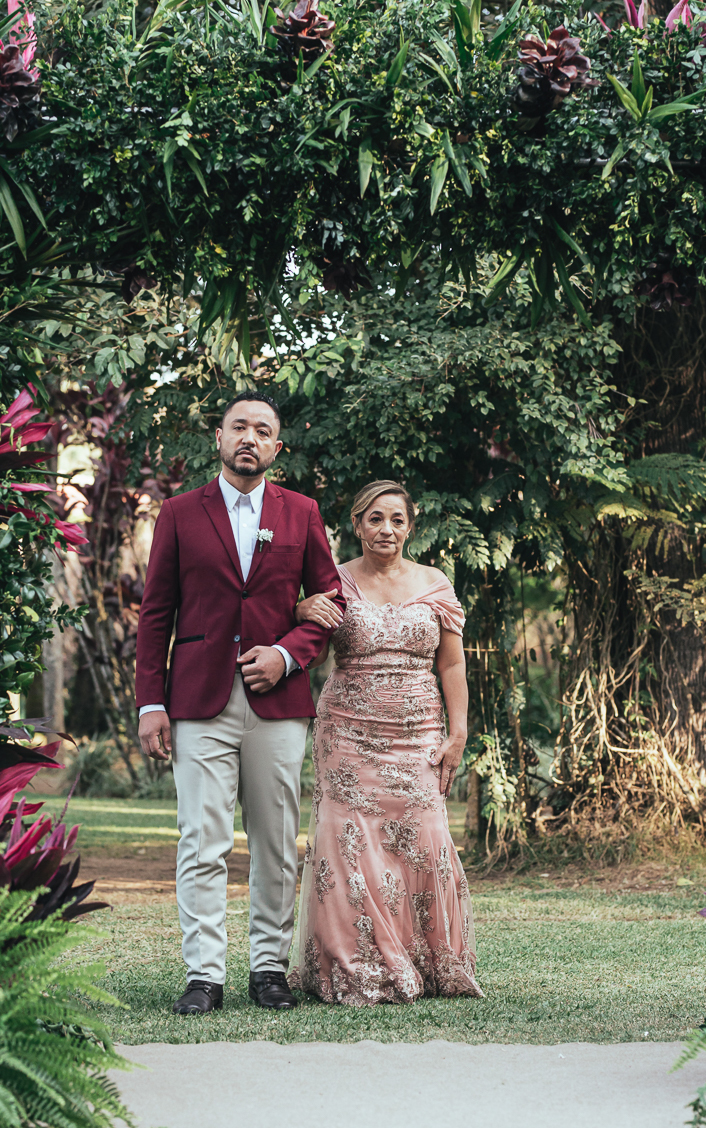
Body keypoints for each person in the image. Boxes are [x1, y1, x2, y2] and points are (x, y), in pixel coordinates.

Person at [134, 392, 345, 1015]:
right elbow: (155, 614)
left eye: (263, 430)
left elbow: (330, 603)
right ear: (219, 438)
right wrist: (150, 703)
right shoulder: (178, 513)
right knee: (202, 841)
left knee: (275, 842)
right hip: (197, 700)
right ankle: (204, 975)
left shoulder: (301, 512)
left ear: (277, 446)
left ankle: (269, 970)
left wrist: (287, 654)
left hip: (278, 701)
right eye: (239, 427)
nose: (249, 437)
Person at [290, 480, 482, 1004]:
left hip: (418, 735)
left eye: (397, 519)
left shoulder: (434, 583)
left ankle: (428, 961)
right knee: (347, 842)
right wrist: (302, 610)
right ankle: (355, 965)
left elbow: (452, 664)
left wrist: (458, 732)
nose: (386, 529)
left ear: (410, 527)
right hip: (347, 734)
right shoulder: (334, 581)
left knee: (423, 838)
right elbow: (307, 645)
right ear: (357, 525)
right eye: (375, 518)